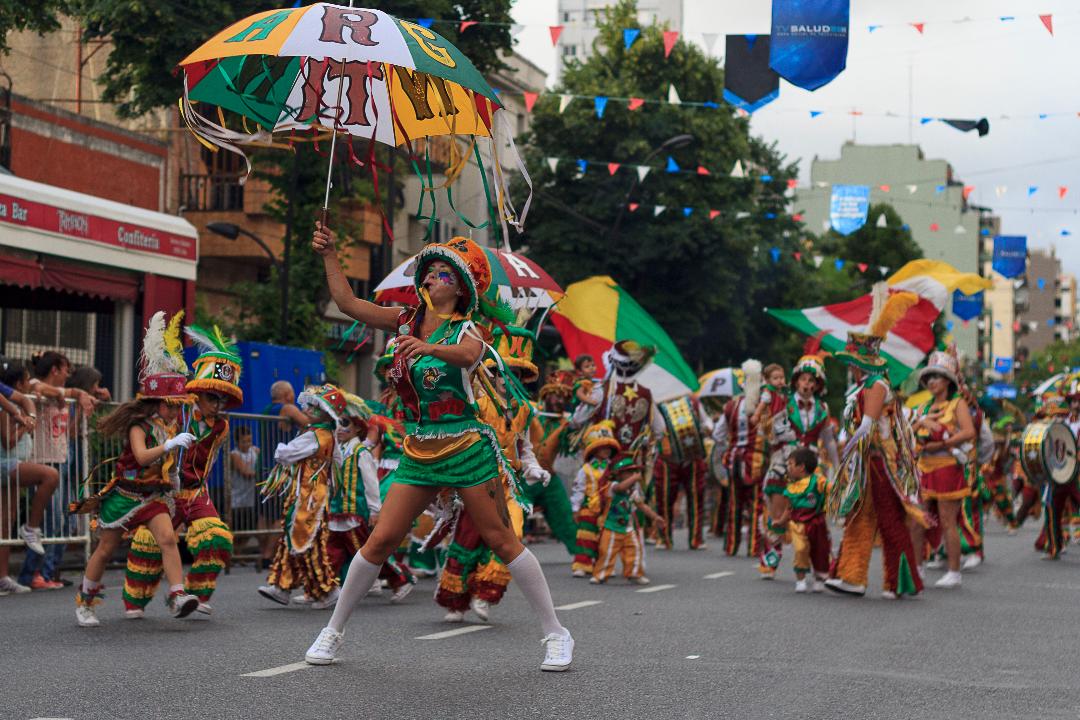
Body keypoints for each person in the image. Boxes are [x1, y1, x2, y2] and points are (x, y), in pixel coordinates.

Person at [305, 225, 573, 671]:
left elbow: (468, 357)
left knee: (500, 538)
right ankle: (332, 631)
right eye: (426, 272)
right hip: (419, 449)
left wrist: (427, 346)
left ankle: (555, 633)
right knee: (381, 540)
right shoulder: (403, 320)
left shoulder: (470, 327)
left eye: (440, 273)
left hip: (466, 446)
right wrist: (331, 254)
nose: (428, 278)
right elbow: (347, 304)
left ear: (461, 287)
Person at [69, 311, 200, 626]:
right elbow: (141, 458)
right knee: (106, 548)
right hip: (125, 496)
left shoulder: (168, 428)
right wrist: (169, 446)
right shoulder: (139, 427)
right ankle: (85, 603)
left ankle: (177, 595)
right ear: (159, 404)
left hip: (152, 497)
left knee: (168, 539)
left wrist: (173, 477)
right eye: (173, 404)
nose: (177, 409)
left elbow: (163, 467)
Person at [122, 325, 240, 616]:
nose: (218, 405)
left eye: (222, 399)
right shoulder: (179, 411)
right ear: (199, 394)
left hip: (196, 491)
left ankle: (195, 596)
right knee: (149, 546)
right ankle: (134, 601)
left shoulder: (222, 426)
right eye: (213, 397)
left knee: (216, 538)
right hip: (166, 490)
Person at [435, 327, 550, 623]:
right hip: (479, 478)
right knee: (468, 539)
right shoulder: (479, 404)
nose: (505, 381)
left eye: (513, 376)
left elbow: (524, 448)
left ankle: (484, 594)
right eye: (501, 374)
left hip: (509, 485)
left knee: (513, 535)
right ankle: (456, 602)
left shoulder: (524, 410)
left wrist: (536, 469)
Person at [826, 284, 926, 599]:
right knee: (860, 518)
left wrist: (846, 454)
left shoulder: (876, 385)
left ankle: (900, 582)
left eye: (853, 361)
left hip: (878, 464)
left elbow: (866, 426)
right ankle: (851, 576)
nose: (850, 366)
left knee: (889, 522)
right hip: (866, 462)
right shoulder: (866, 385)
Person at [257, 384, 345, 609]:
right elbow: (338, 462)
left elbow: (284, 453)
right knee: (292, 537)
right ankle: (282, 586)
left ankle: (327, 590)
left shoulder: (315, 436)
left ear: (325, 413)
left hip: (309, 496)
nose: (307, 410)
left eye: (314, 408)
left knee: (305, 540)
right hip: (309, 493)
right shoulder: (328, 435)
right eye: (309, 406)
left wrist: (279, 449)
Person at [324, 393, 414, 605]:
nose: (339, 428)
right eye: (337, 424)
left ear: (357, 428)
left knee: (366, 552)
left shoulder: (361, 452)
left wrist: (375, 510)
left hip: (356, 512)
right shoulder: (338, 450)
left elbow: (372, 483)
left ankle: (400, 579)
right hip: (337, 512)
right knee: (332, 552)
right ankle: (326, 589)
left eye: (344, 424)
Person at [19, 351, 97, 589]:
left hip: (60, 459)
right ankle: (32, 573)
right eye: (66, 369)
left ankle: (48, 571)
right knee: (51, 521)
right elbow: (35, 388)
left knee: (67, 519)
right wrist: (74, 392)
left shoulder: (62, 395)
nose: (68, 374)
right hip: (43, 462)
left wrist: (87, 399)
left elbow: (71, 429)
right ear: (55, 369)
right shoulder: (34, 385)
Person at [0, 358, 59, 594]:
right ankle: (31, 528)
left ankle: (2, 576)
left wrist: (29, 417)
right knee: (50, 476)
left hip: (13, 467)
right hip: (5, 464)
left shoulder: (11, 396)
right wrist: (23, 423)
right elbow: (9, 440)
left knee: (5, 521)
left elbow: (23, 400)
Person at [713, 359, 767, 559]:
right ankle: (754, 547)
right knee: (755, 505)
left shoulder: (731, 406)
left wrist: (729, 444)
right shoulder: (763, 405)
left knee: (735, 504)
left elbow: (718, 435)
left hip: (734, 460)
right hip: (755, 461)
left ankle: (731, 545)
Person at [591, 453, 665, 584]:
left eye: (634, 472)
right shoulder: (612, 486)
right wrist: (635, 478)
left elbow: (642, 505)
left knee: (635, 550)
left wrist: (655, 517)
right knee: (607, 552)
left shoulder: (633, 491)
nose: (632, 475)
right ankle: (601, 575)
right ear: (618, 474)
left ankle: (634, 573)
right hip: (611, 526)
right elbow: (620, 488)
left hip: (627, 528)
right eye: (628, 472)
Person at [653, 394, 712, 550]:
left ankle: (696, 539)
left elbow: (706, 421)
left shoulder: (693, 401)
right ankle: (663, 537)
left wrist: (707, 428)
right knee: (664, 499)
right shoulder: (658, 402)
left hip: (692, 457)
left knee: (696, 498)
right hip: (668, 459)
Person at [570, 421, 621, 577]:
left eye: (608, 447)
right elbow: (578, 489)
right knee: (586, 536)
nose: (606, 450)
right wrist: (576, 509)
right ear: (594, 449)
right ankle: (582, 565)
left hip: (609, 509)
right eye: (602, 447)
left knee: (605, 539)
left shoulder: (613, 468)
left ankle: (604, 566)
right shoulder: (584, 470)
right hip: (589, 508)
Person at [778, 448, 831, 593]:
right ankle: (800, 580)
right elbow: (789, 509)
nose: (788, 467)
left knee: (820, 551)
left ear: (801, 467)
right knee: (800, 550)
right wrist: (780, 521)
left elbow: (831, 491)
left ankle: (819, 578)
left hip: (817, 523)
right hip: (797, 525)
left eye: (790, 464)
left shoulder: (818, 480)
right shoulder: (791, 487)